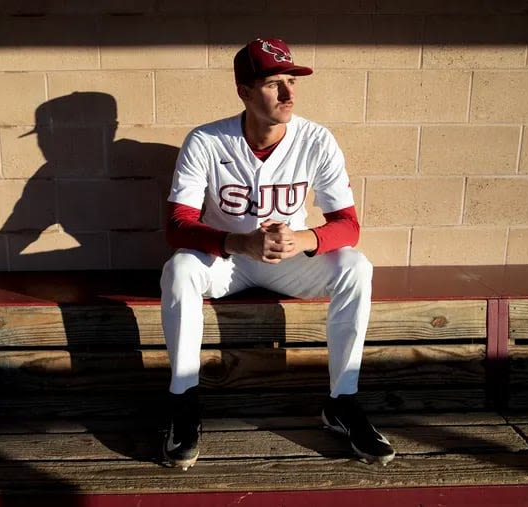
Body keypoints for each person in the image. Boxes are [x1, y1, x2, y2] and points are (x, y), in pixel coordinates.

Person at [159, 37, 395, 470]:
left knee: (356, 267)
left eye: (291, 81)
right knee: (179, 270)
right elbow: (177, 226)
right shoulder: (207, 140)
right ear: (245, 91)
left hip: (289, 261)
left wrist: (303, 240)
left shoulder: (315, 139)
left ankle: (342, 402)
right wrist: (237, 242)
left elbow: (348, 225)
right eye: (274, 83)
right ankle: (184, 402)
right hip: (227, 263)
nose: (288, 94)